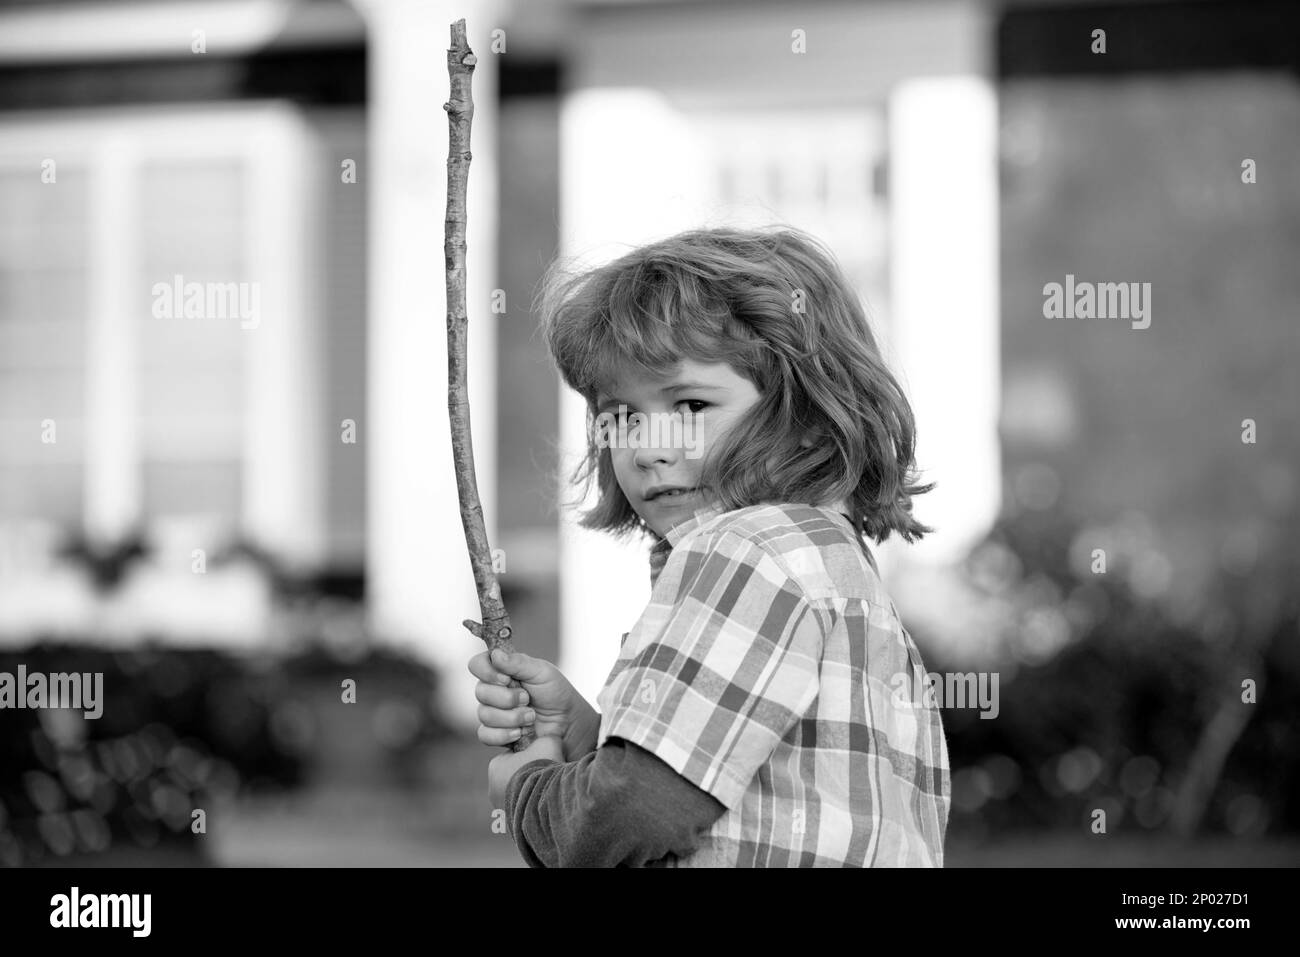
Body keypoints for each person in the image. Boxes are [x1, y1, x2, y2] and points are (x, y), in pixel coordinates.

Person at [469, 225, 950, 867]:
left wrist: (527, 790)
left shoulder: (748, 552)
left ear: (807, 419)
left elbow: (634, 813)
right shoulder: (830, 575)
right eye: (622, 416)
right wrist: (593, 742)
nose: (648, 447)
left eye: (691, 404)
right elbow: (749, 790)